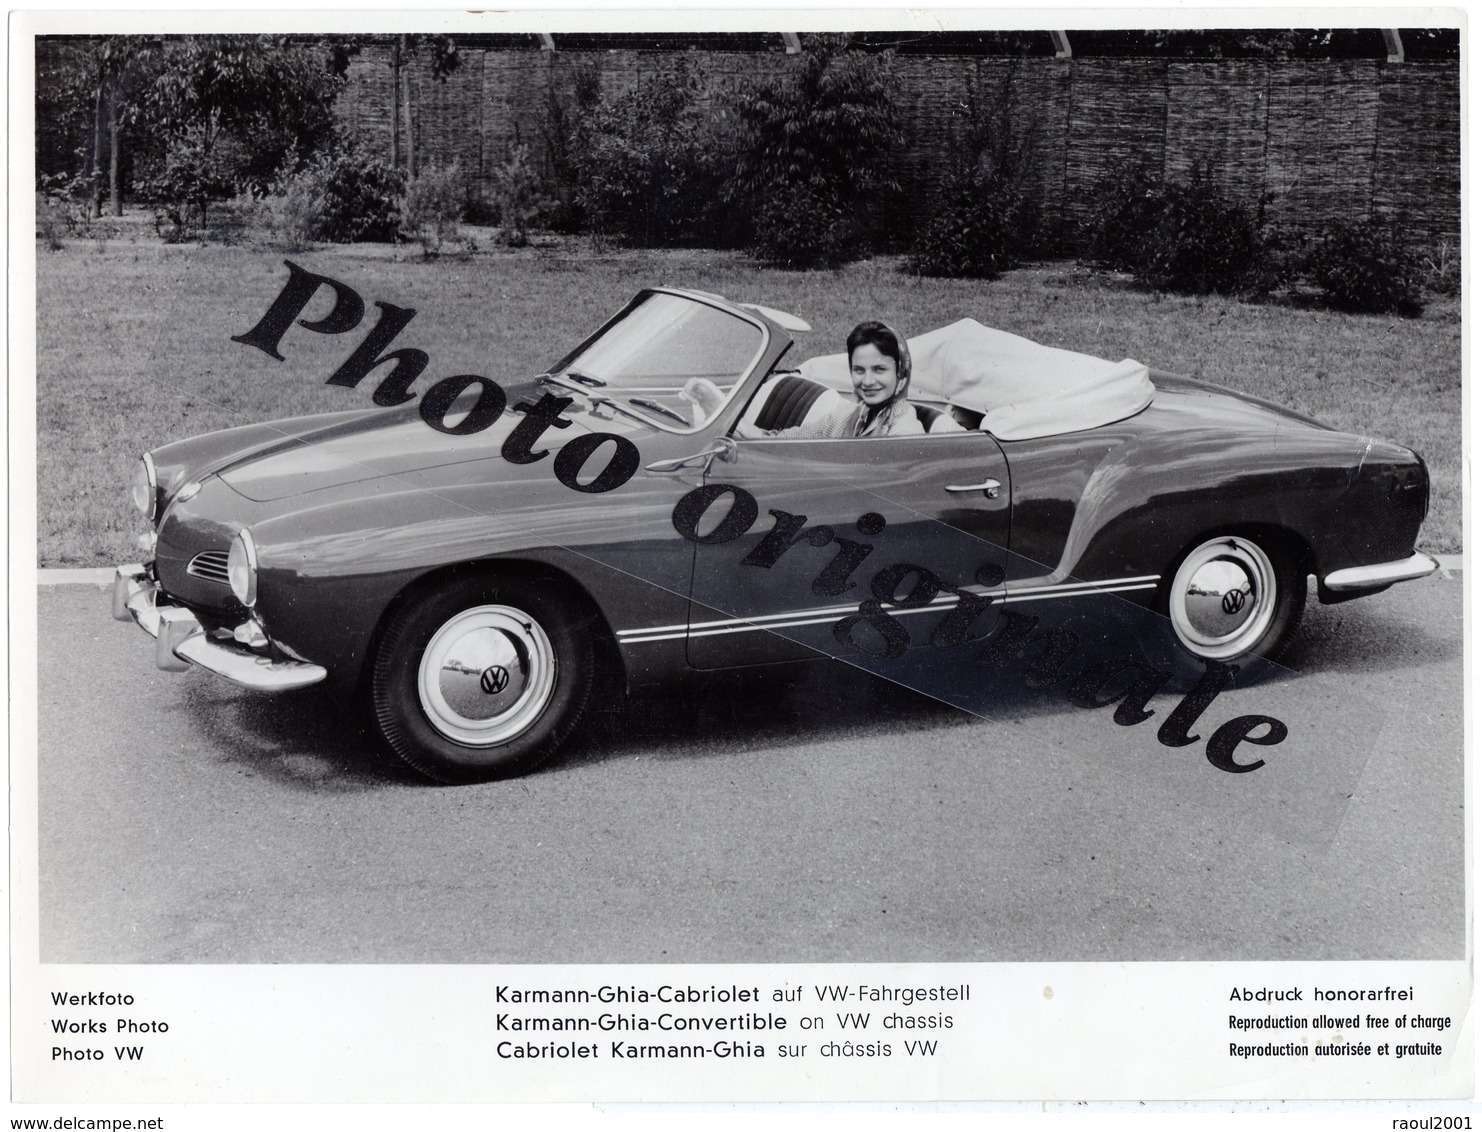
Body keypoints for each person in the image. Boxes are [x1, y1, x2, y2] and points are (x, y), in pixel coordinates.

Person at [711, 321, 925, 440]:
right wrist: (735, 422)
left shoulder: (904, 434)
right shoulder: (852, 416)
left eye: (879, 370)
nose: (868, 381)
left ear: (900, 372)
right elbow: (797, 439)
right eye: (859, 370)